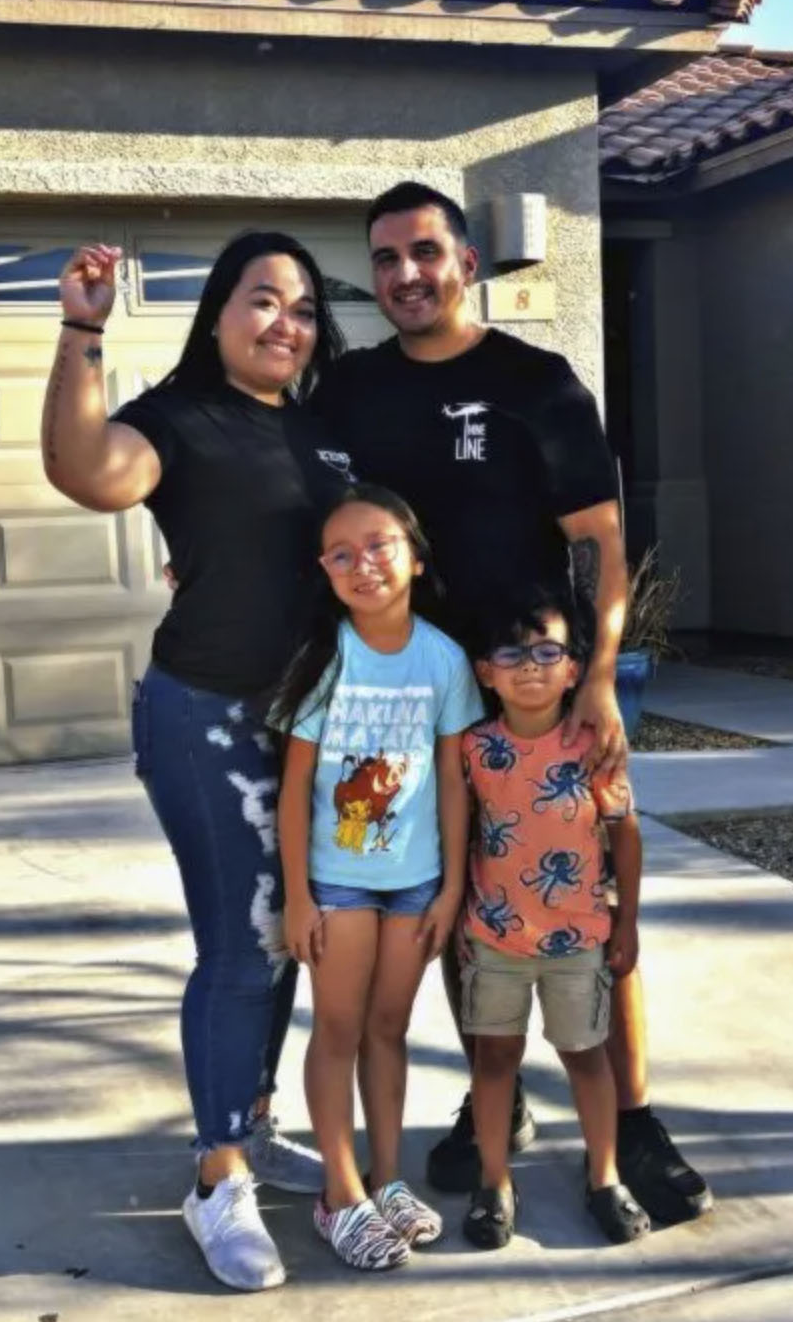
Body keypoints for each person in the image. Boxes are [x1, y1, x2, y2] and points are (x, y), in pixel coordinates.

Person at [312, 181, 713, 1226]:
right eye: (386, 257)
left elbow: (603, 542)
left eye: (425, 252)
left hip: (544, 693)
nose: (406, 273)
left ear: (466, 264)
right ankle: (493, 1089)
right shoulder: (350, 391)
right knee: (458, 900)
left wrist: (598, 675)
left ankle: (630, 1114)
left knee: (590, 898)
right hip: (422, 705)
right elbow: (286, 493)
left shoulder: (535, 383)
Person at [41, 234, 348, 1292]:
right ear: (217, 314)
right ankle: (217, 1173)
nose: (283, 322)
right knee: (241, 939)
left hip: (303, 725)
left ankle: (249, 1123)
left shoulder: (323, 434)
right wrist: (83, 329)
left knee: (288, 938)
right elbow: (87, 472)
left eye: (302, 307)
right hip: (202, 713)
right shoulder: (178, 415)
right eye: (261, 300)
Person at [276, 484, 483, 1269]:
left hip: (415, 883)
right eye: (341, 553)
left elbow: (453, 780)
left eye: (380, 545)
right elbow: (296, 787)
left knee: (388, 1029)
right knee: (336, 1029)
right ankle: (340, 1194)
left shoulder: (442, 659)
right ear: (324, 570)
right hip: (338, 883)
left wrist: (451, 887)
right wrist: (299, 895)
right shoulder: (326, 656)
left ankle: (386, 1178)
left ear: (416, 558)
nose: (363, 564)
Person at [461, 591, 649, 1248]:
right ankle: (495, 1183)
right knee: (493, 1061)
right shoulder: (474, 749)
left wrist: (626, 924)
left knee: (586, 1058)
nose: (531, 666)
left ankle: (604, 1177)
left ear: (573, 669)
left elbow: (624, 835)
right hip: (495, 938)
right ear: (486, 671)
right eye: (512, 654)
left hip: (578, 939)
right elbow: (459, 835)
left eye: (548, 652)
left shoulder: (593, 745)